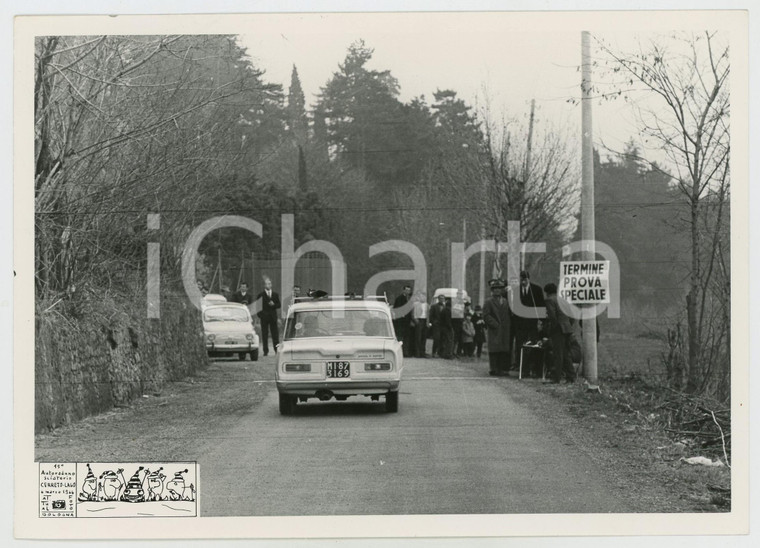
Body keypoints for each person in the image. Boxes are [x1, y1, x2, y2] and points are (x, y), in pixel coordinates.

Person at [512, 270, 545, 377]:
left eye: (525, 279)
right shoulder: (516, 291)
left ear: (528, 279)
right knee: (520, 347)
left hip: (533, 325)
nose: (523, 282)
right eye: (521, 280)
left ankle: (534, 369)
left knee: (533, 346)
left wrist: (541, 321)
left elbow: (541, 306)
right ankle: (523, 370)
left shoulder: (536, 290)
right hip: (520, 326)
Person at [543, 282, 576, 384]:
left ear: (547, 292)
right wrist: (567, 325)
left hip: (558, 330)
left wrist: (552, 328)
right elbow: (571, 315)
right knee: (566, 354)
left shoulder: (549, 300)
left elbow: (552, 316)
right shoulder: (563, 300)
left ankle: (556, 378)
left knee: (558, 354)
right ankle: (571, 377)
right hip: (567, 329)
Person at [482, 279, 511, 376]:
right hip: (494, 329)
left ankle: (502, 369)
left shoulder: (506, 301)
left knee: (503, 349)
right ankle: (493, 369)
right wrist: (494, 324)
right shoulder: (488, 301)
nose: (497, 290)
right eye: (495, 289)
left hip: (504, 329)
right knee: (494, 350)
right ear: (492, 290)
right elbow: (486, 315)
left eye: (499, 289)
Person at [256, 278, 281, 356]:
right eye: (266, 284)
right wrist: (262, 316)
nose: (268, 285)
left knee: (275, 335)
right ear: (264, 285)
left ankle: (276, 350)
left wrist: (274, 305)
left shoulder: (275, 294)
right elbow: (258, 308)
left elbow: (279, 305)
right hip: (264, 318)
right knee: (264, 335)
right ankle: (265, 351)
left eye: (269, 283)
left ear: (271, 285)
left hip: (273, 317)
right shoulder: (260, 295)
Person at [393, 285, 414, 357]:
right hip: (401, 321)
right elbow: (396, 309)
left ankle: (406, 352)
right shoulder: (399, 298)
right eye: (406, 290)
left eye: (409, 290)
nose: (408, 291)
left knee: (407, 337)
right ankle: (400, 352)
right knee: (400, 337)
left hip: (407, 321)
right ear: (403, 290)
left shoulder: (409, 299)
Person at [412, 290, 429, 357]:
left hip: (425, 321)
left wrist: (428, 322)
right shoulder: (415, 304)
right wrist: (416, 320)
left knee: (424, 337)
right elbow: (413, 314)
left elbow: (428, 315)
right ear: (419, 297)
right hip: (419, 320)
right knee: (418, 337)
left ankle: (423, 352)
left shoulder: (427, 305)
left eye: (424, 296)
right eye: (422, 296)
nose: (423, 298)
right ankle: (417, 353)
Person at [451, 289, 465, 356]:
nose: (460, 295)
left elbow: (463, 310)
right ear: (457, 294)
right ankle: (453, 352)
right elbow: (453, 310)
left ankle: (458, 352)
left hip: (461, 321)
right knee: (455, 338)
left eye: (461, 294)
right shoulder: (454, 301)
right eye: (459, 294)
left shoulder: (462, 301)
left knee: (461, 338)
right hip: (455, 321)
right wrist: (458, 313)